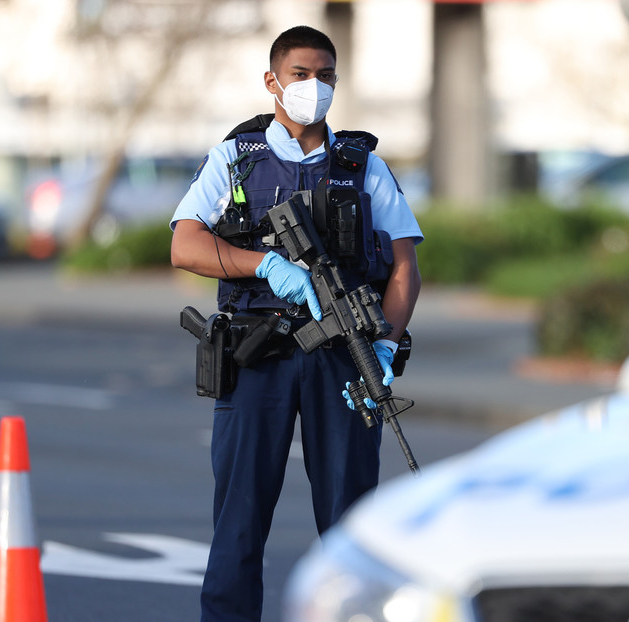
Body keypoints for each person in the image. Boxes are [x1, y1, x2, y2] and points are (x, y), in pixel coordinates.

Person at [169, 25, 423, 622]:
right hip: (257, 354)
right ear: (272, 81)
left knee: (351, 523)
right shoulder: (235, 157)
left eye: (326, 75)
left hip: (344, 357)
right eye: (302, 75)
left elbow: (406, 266)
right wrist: (266, 265)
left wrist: (383, 347)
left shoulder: (363, 165)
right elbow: (185, 245)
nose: (315, 86)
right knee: (239, 523)